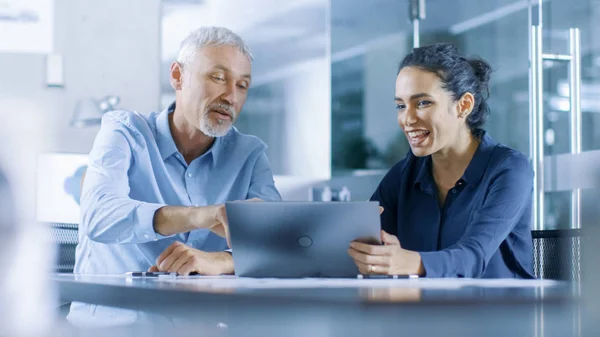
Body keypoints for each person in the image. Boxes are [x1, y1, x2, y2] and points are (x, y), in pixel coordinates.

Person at [74, 26, 281, 280]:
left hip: (200, 316)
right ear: (177, 76)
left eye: (242, 85)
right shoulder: (124, 132)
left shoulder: (250, 154)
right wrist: (203, 215)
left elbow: (281, 244)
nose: (231, 96)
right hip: (114, 314)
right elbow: (99, 216)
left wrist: (221, 261)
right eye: (218, 78)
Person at [348, 43, 534, 278]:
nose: (407, 119)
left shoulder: (510, 169)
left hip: (500, 311)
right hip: (428, 311)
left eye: (423, 103)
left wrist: (410, 262)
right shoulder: (404, 174)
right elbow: (366, 242)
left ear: (463, 106)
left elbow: (473, 256)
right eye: (400, 106)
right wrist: (372, 250)